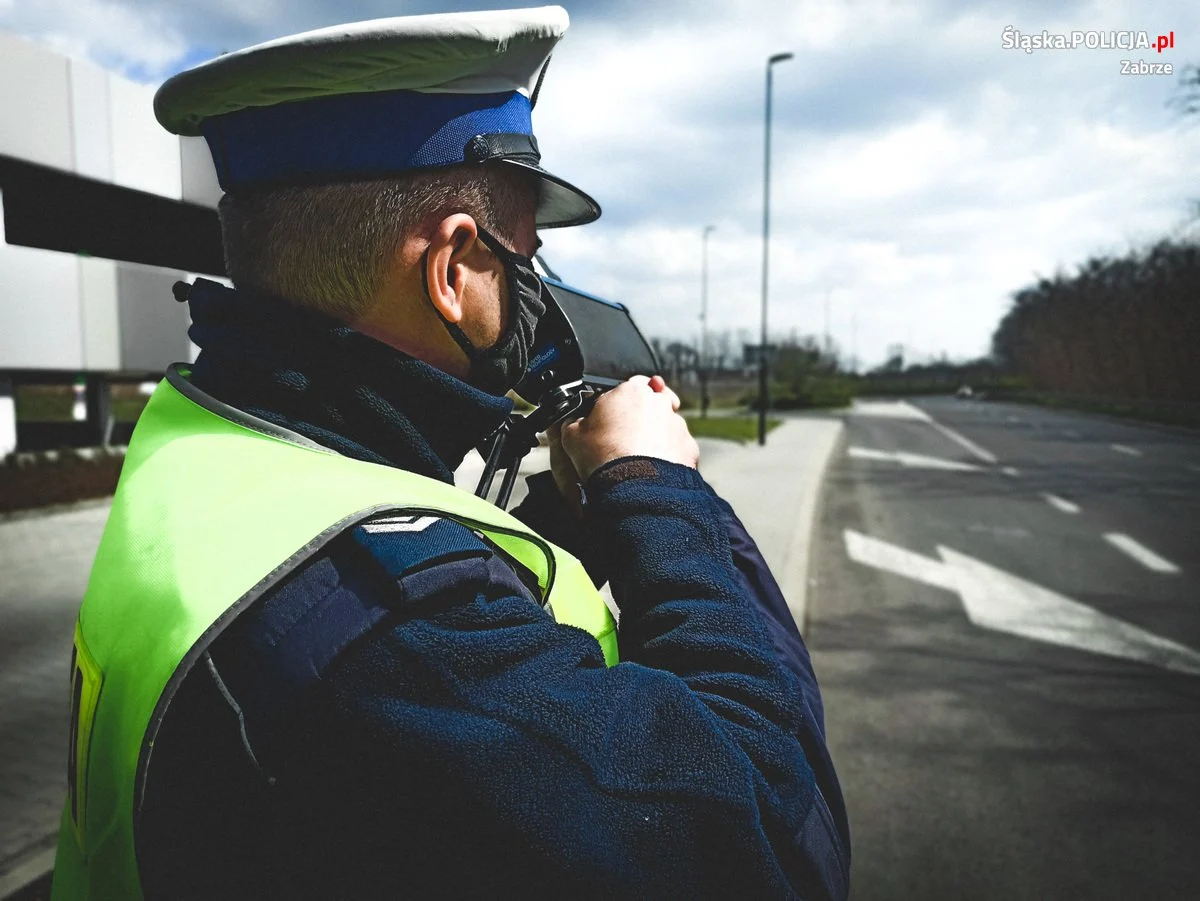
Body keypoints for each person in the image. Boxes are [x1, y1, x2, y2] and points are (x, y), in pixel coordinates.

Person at [52, 7, 850, 899]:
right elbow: (771, 839)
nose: (536, 292)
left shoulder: (203, 439)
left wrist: (551, 524)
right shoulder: (410, 632)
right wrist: (657, 487)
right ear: (453, 269)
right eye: (525, 261)